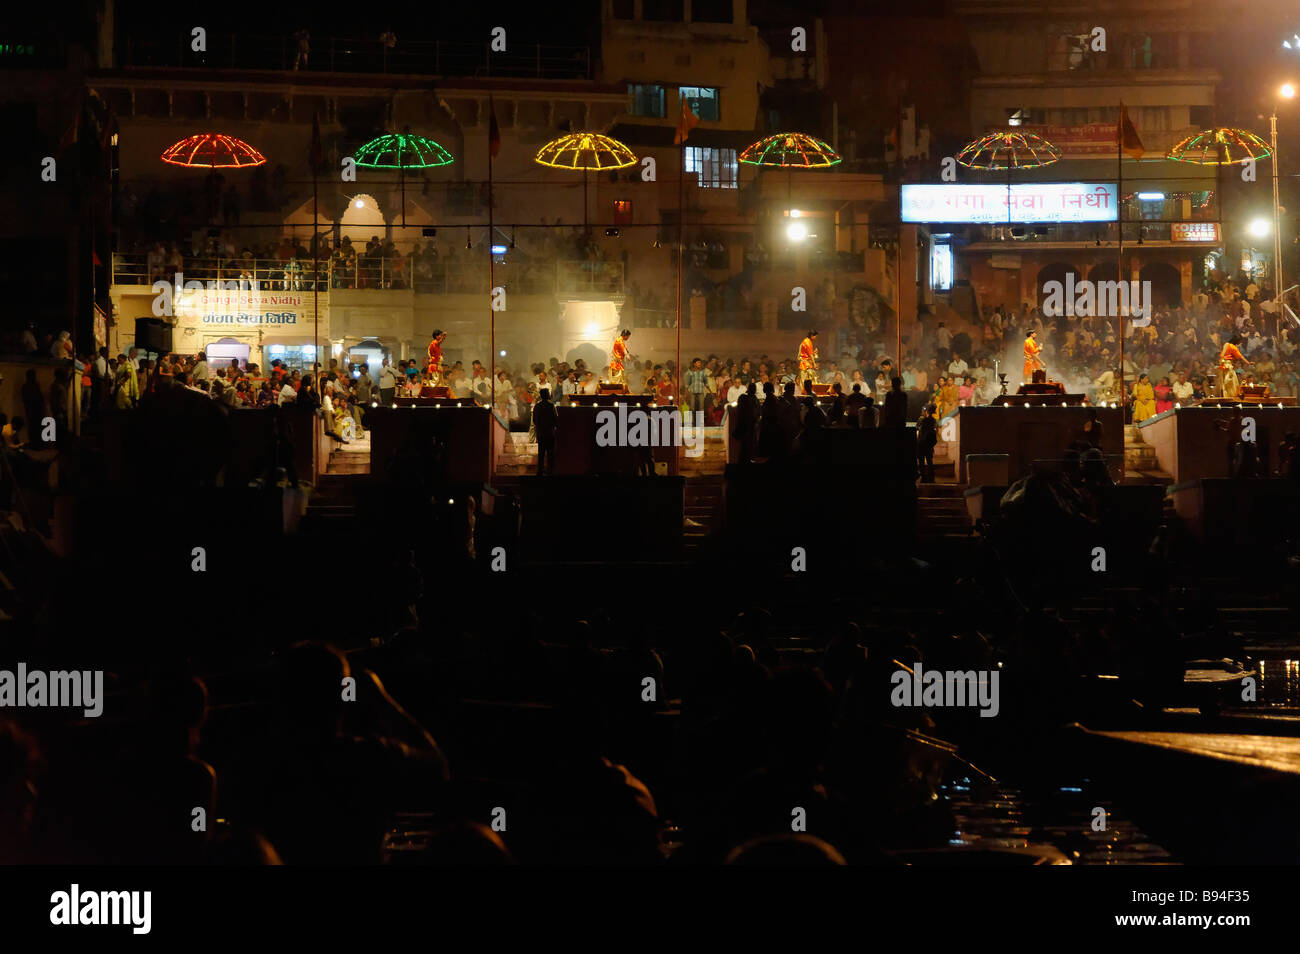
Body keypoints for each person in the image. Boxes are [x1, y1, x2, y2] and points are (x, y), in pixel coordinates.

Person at [532, 388, 558, 475]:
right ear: (547, 395)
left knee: (541, 453)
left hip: (541, 433)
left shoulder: (537, 406)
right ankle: (550, 471)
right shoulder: (551, 406)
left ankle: (540, 470)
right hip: (550, 433)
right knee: (550, 453)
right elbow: (555, 419)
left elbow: (535, 420)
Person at [1218, 335, 1251, 399]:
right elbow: (1241, 357)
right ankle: (1230, 396)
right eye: (1240, 341)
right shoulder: (1233, 347)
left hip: (1224, 364)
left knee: (1225, 382)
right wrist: (1248, 362)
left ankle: (1226, 396)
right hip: (1227, 366)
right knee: (1230, 382)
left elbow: (1222, 355)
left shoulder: (1227, 344)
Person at [916, 404, 938, 482]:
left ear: (927, 411)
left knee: (921, 461)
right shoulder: (934, 420)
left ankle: (923, 476)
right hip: (929, 444)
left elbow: (920, 430)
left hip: (922, 444)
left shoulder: (923, 420)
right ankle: (931, 476)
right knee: (929, 460)